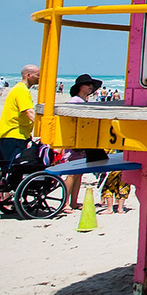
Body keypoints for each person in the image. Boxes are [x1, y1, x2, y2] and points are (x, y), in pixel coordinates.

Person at [62, 75, 109, 211]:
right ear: (80, 87)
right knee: (72, 173)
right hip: (75, 141)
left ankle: (73, 202)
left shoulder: (83, 100)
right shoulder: (75, 101)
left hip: (82, 140)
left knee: (78, 173)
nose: (90, 86)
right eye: (87, 84)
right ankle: (65, 203)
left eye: (91, 84)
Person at [0, 65, 40, 165]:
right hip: (15, 135)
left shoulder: (18, 88)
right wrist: (43, 126)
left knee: (6, 168)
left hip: (8, 135)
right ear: (29, 75)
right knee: (15, 167)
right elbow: (29, 112)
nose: (40, 77)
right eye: (38, 75)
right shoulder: (22, 90)